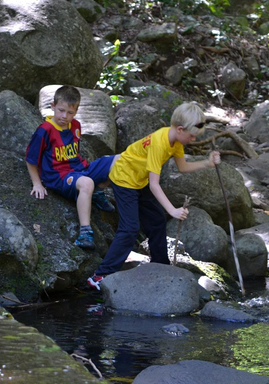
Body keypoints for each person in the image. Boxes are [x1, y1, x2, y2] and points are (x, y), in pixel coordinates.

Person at [87, 102, 220, 290]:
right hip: (124, 178)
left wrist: (207, 163)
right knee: (130, 228)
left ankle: (160, 266)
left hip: (138, 180)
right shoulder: (160, 143)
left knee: (157, 220)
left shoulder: (175, 141)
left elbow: (182, 167)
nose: (193, 139)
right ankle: (100, 276)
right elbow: (154, 184)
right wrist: (172, 210)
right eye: (191, 136)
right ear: (180, 129)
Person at [26, 85, 118, 250]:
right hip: (59, 176)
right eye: (60, 110)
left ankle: (97, 191)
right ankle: (85, 233)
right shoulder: (44, 131)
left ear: (76, 111)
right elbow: (31, 159)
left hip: (81, 169)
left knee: (119, 160)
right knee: (86, 183)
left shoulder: (75, 125)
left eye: (70, 112)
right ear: (52, 106)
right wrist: (37, 183)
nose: (64, 116)